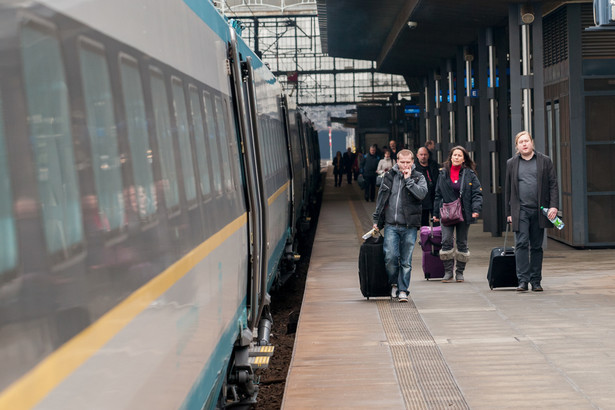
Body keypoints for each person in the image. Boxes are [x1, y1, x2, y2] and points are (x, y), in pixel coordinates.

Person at [505, 131, 559, 292]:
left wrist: (554, 206)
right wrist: (509, 212)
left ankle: (536, 281)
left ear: (532, 142)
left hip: (540, 210)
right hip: (520, 210)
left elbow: (553, 185)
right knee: (521, 243)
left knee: (536, 245)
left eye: (526, 141)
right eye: (521, 142)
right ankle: (522, 280)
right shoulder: (512, 163)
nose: (524, 144)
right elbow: (508, 189)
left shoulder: (544, 161)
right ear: (517, 146)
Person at [372, 149, 427, 302]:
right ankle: (394, 283)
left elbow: (422, 194)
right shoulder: (389, 177)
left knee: (406, 260)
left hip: (409, 226)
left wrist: (409, 181)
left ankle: (403, 289)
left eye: (408, 162)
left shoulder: (418, 177)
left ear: (412, 162)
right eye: (402, 162)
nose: (404, 166)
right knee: (390, 257)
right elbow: (381, 199)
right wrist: (376, 220)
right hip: (391, 225)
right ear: (397, 161)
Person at [433, 146, 483, 283]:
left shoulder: (470, 174)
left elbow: (477, 194)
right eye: (454, 155)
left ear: (464, 159)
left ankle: (460, 272)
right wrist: (435, 213)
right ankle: (448, 272)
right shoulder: (443, 174)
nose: (456, 157)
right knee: (446, 240)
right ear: (450, 157)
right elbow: (437, 194)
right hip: (446, 212)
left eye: (459, 155)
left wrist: (475, 210)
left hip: (464, 212)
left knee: (462, 242)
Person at [415, 147, 439, 226]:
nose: (423, 156)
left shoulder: (434, 165)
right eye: (421, 155)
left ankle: (436, 237)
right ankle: (425, 237)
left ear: (428, 155)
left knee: (436, 221)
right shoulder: (414, 168)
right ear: (417, 155)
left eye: (425, 154)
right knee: (423, 223)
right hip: (422, 198)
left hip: (434, 196)